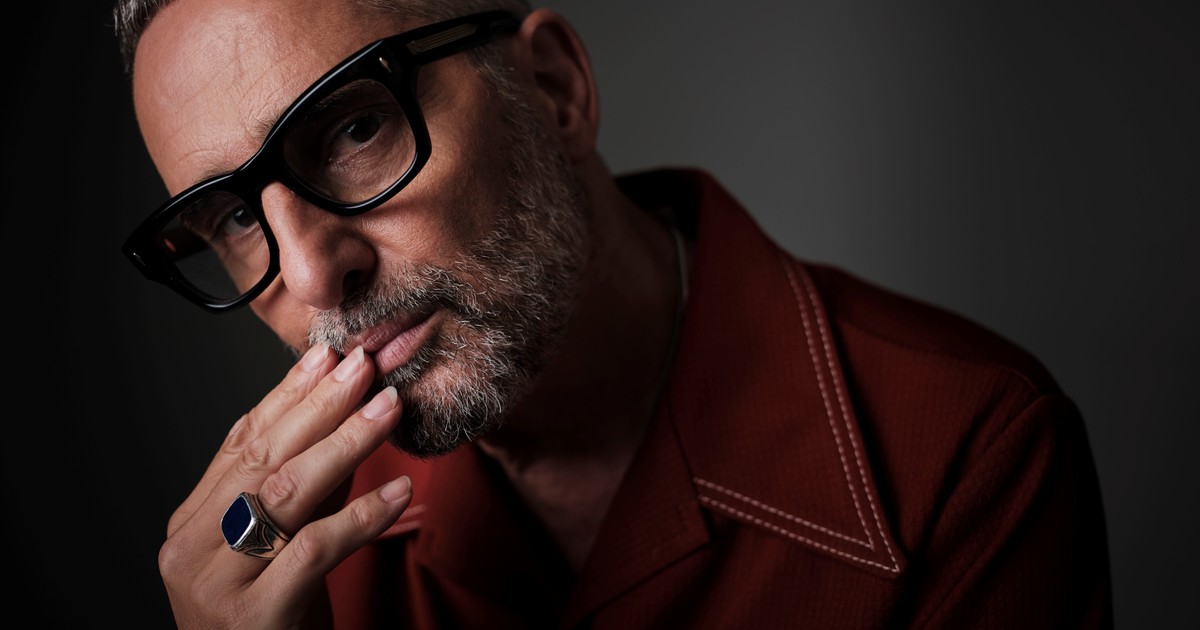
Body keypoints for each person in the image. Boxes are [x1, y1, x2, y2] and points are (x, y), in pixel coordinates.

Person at [113, 0, 1114, 627]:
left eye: (355, 127)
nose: (312, 276)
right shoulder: (292, 563)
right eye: (232, 219)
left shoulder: (967, 455)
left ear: (553, 89)